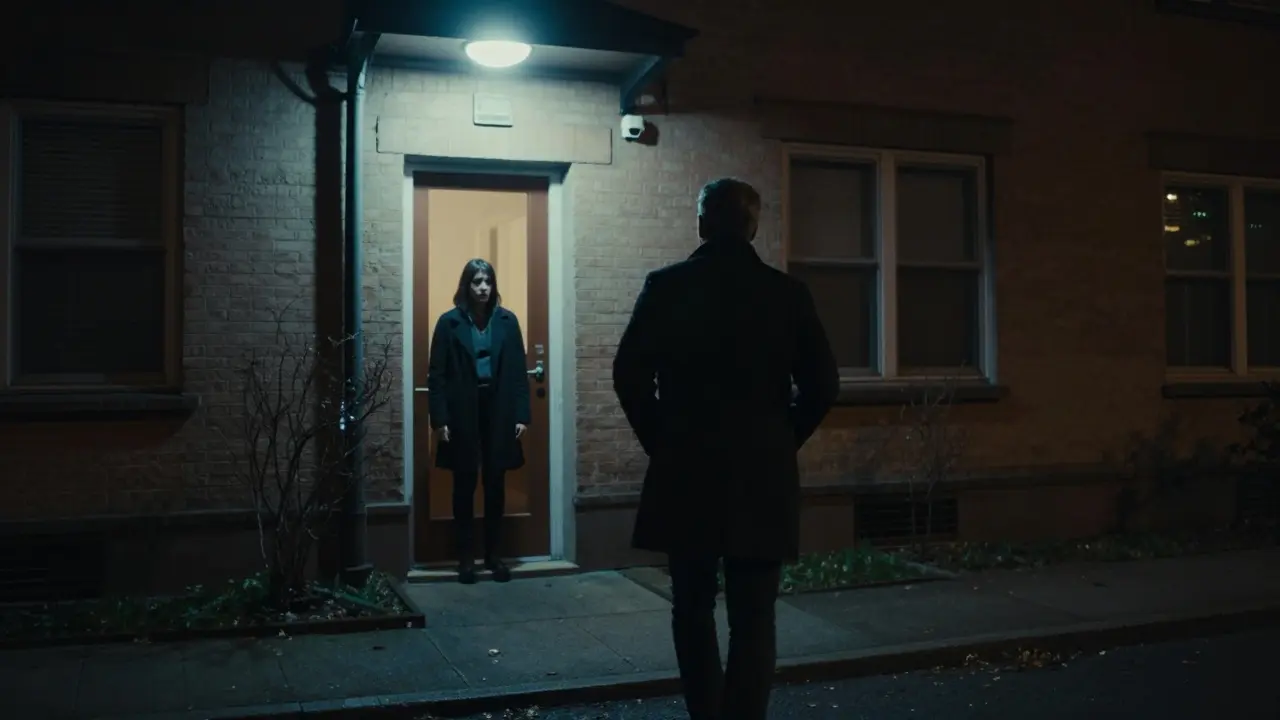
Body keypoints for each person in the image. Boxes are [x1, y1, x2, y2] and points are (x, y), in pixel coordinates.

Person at [612, 178, 840, 720]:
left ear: (701, 223)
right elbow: (824, 385)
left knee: (692, 609)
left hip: (687, 470)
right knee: (754, 617)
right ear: (752, 226)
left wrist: (663, 441)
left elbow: (629, 377)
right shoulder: (786, 294)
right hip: (761, 475)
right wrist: (782, 439)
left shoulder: (666, 288)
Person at [427, 258, 532, 584]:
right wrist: (440, 418)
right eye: (477, 281)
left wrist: (521, 414)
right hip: (463, 410)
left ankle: (493, 556)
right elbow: (437, 374)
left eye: (487, 281)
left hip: (498, 409)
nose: (483, 287)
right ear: (467, 286)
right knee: (464, 484)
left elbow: (517, 371)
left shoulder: (507, 321)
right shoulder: (449, 323)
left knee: (496, 484)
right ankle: (465, 559)